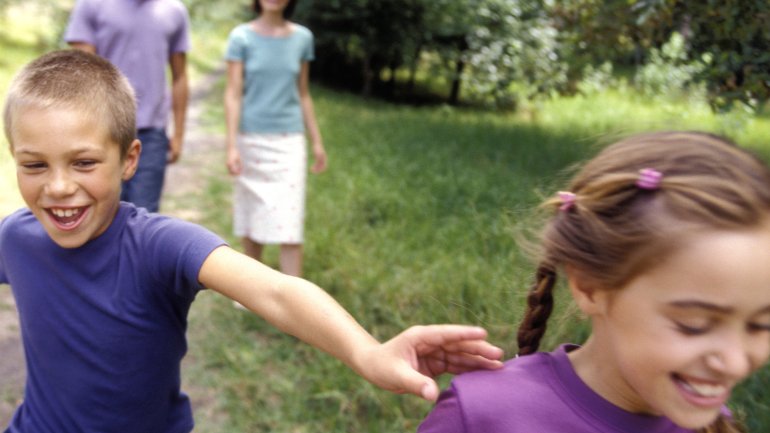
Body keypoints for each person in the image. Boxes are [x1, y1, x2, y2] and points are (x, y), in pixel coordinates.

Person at [0, 49, 504, 433]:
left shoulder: (158, 245)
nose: (59, 187)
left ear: (130, 159)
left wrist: (368, 353)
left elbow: (277, 291)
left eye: (84, 162)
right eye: (34, 165)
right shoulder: (16, 238)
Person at [418, 131, 770, 433]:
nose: (736, 363)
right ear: (588, 285)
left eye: (760, 325)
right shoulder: (481, 414)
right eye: (693, 325)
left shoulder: (711, 421)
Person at [224, 0, 326, 277]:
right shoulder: (240, 37)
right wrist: (231, 145)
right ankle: (252, 288)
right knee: (252, 216)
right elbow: (233, 94)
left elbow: (303, 93)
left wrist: (316, 141)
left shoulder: (303, 38)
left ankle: (293, 297)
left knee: (290, 223)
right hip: (250, 138)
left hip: (289, 140)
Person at [64, 0, 190, 213]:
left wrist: (178, 134)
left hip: (151, 134)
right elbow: (82, 72)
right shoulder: (91, 5)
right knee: (97, 214)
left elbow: (180, 77)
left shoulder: (174, 10)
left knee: (143, 217)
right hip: (100, 130)